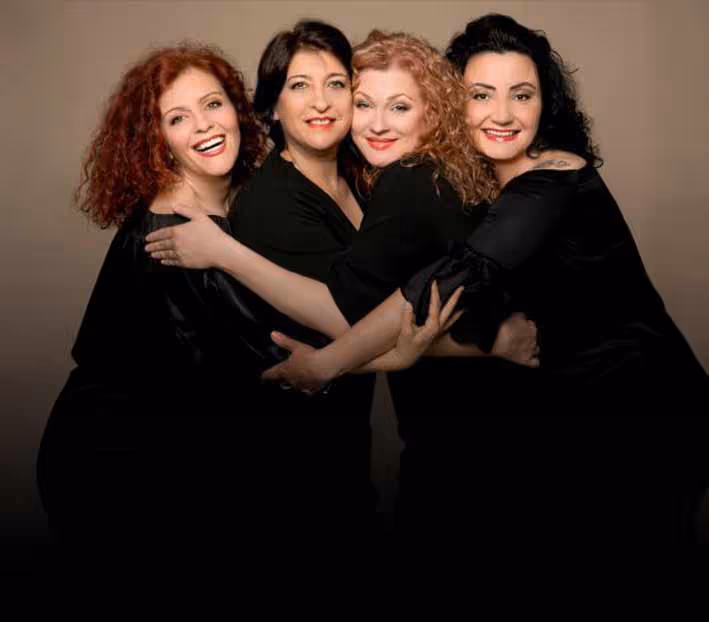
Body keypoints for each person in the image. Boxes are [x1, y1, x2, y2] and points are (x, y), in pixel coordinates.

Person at [272, 15, 709, 557]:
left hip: (643, 412)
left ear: (546, 104)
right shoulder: (468, 179)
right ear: (454, 102)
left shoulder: (551, 177)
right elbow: (455, 304)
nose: (502, 114)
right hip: (573, 422)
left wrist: (327, 365)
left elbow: (453, 277)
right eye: (481, 94)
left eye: (521, 95)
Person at [145, 29, 540, 519]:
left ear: (432, 112)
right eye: (299, 86)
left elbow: (379, 304)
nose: (322, 102)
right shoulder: (276, 203)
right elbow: (347, 316)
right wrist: (489, 341)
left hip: (466, 422)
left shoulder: (376, 174)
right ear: (270, 108)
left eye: (336, 84)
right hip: (301, 450)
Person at [37, 41, 384, 545]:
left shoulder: (230, 211)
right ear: (155, 139)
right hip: (118, 466)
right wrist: (400, 344)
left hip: (179, 455)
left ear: (238, 110)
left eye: (213, 104)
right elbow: (280, 366)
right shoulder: (173, 238)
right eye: (177, 118)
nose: (204, 125)